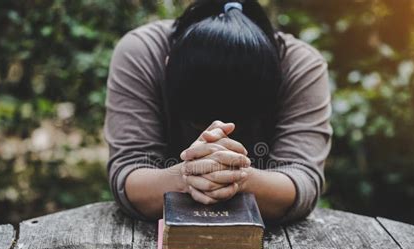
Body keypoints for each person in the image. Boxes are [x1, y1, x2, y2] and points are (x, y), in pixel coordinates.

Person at [104, 0, 332, 224]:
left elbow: (303, 180)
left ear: (276, 76)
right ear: (167, 65)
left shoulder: (300, 66)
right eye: (197, 122)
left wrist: (237, 176)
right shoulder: (141, 53)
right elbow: (129, 174)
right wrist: (186, 176)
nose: (214, 132)